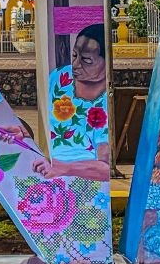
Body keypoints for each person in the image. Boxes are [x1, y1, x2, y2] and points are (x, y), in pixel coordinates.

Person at [34, 23, 111, 182]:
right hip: (42, 165)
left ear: (108, 61)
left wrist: (66, 168)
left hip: (81, 178)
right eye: (75, 55)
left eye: (86, 60)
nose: (76, 65)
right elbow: (43, 126)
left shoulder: (106, 102)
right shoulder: (60, 77)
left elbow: (106, 168)